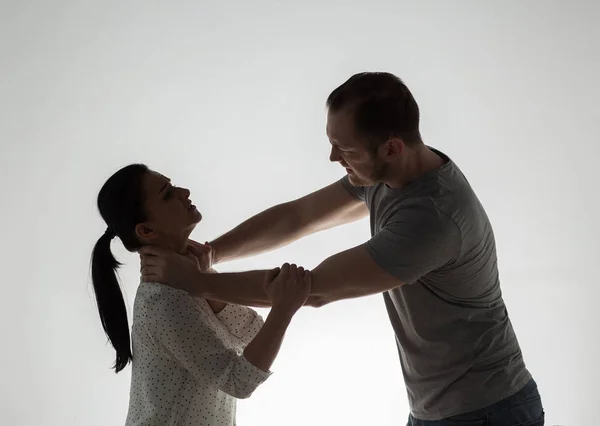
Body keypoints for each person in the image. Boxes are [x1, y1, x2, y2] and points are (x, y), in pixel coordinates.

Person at [140, 72, 545, 425]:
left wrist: (197, 283)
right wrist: (212, 253)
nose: (333, 157)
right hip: (440, 409)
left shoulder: (431, 218)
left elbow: (312, 290)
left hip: (486, 411)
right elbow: (298, 217)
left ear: (391, 148)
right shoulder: (388, 177)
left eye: (345, 149)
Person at [90, 163, 311, 426]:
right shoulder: (163, 301)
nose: (184, 191)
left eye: (173, 185)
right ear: (146, 231)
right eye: (167, 193)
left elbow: (251, 333)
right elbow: (238, 381)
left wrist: (207, 282)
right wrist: (283, 309)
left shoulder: (189, 281)